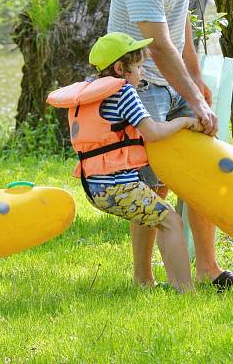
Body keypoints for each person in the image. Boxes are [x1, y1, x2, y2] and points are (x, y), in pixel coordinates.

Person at [107, 0, 233, 290]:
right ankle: (143, 279)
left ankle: (210, 271)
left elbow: (182, 24)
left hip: (175, 80)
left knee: (201, 174)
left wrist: (197, 84)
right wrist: (191, 95)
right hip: (142, 85)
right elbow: (157, 43)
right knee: (152, 184)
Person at [47, 32, 202, 292]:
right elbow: (152, 132)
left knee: (155, 217)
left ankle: (152, 283)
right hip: (119, 186)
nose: (142, 73)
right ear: (121, 69)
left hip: (95, 187)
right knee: (172, 221)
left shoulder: (90, 94)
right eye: (139, 67)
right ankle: (186, 291)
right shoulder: (124, 93)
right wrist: (184, 122)